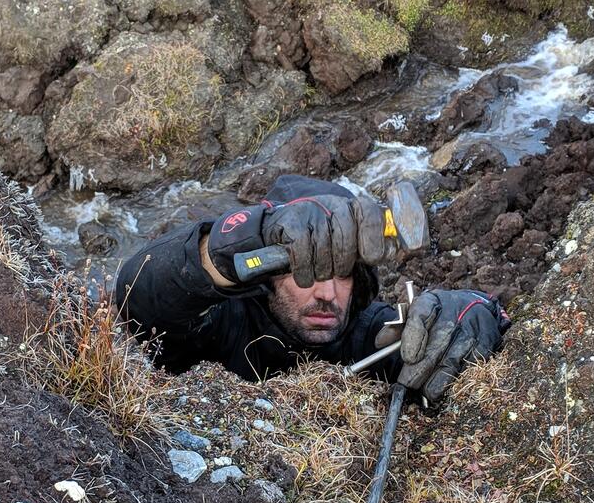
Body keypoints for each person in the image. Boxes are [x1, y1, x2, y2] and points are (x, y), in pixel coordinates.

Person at [113, 174, 508, 406]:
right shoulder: (221, 317)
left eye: (343, 274)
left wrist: (468, 310)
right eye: (304, 271)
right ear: (266, 274)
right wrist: (226, 248)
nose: (326, 293)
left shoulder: (368, 332)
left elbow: (475, 317)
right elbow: (139, 298)